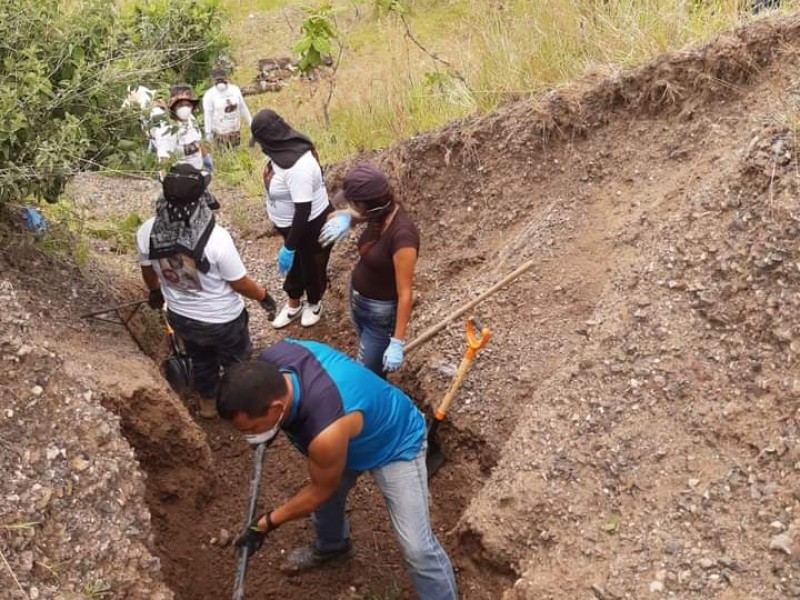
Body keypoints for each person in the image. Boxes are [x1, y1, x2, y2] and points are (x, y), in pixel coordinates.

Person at [220, 339, 459, 600]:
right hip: (348, 436)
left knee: (417, 548)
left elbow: (319, 491)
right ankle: (332, 548)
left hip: (395, 442)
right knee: (327, 499)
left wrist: (265, 523)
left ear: (277, 408)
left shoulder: (325, 433)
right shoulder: (275, 357)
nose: (250, 437)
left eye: (251, 430)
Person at [137, 164, 277, 418]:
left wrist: (155, 292)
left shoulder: (147, 231)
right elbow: (239, 282)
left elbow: (148, 272)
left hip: (182, 318)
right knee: (238, 363)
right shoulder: (217, 238)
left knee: (200, 360)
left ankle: (208, 404)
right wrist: (263, 296)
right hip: (223, 320)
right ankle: (242, 405)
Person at [319, 165, 419, 377]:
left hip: (380, 315)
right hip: (358, 300)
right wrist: (343, 219)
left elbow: (405, 292)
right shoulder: (376, 215)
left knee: (366, 374)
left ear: (370, 205)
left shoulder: (403, 238)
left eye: (354, 203)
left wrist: (397, 342)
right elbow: (334, 216)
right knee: (367, 353)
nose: (350, 206)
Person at [250, 109, 333, 329]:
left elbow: (303, 210)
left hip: (309, 224)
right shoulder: (278, 154)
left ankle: (314, 303)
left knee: (312, 264)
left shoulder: (299, 166)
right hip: (290, 226)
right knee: (296, 266)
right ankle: (294, 303)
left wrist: (289, 245)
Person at [202, 66, 252, 148]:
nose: (220, 82)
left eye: (222, 79)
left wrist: (250, 122)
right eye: (218, 80)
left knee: (235, 151)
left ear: (226, 78)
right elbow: (208, 114)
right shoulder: (209, 94)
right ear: (213, 81)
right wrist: (208, 132)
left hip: (234, 130)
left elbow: (242, 107)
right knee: (223, 153)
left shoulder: (235, 90)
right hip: (220, 133)